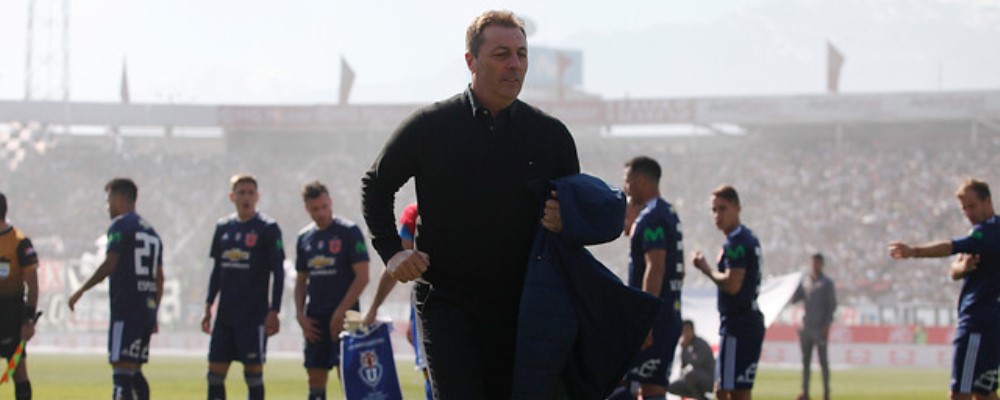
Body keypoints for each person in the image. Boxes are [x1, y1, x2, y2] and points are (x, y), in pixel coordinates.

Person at [360, 9, 580, 398]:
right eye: (501, 54)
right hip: (447, 301)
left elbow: (574, 218)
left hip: (523, 305)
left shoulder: (551, 136)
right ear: (471, 61)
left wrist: (569, 219)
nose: (515, 65)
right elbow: (376, 185)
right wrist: (391, 251)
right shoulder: (430, 126)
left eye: (521, 54)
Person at [889, 178, 1000, 400]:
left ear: (987, 201)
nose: (968, 213)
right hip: (991, 323)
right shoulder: (982, 234)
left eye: (972, 206)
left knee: (959, 393)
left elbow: (951, 246)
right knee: (984, 392)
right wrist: (962, 268)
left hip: (978, 321)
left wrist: (914, 251)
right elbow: (955, 271)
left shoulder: (986, 233)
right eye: (964, 208)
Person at [68, 178, 164, 400]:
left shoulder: (120, 225)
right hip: (146, 310)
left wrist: (81, 290)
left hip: (127, 309)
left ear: (119, 199)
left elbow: (110, 263)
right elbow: (160, 278)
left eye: (108, 200)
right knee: (135, 371)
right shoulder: (152, 232)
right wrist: (154, 313)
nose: (107, 206)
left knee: (121, 372)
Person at [202, 174, 285, 400]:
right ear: (232, 197)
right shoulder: (223, 228)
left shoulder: (268, 228)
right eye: (241, 193)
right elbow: (217, 270)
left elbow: (278, 273)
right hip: (225, 315)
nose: (246, 197)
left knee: (253, 374)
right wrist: (208, 305)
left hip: (253, 316)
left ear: (257, 196)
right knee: (214, 374)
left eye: (250, 193)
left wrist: (274, 310)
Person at [293, 181, 370, 400]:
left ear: (331, 202)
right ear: (307, 209)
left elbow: (363, 277)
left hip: (346, 320)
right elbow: (301, 281)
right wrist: (300, 314)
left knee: (349, 378)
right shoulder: (304, 238)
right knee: (315, 380)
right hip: (315, 319)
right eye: (315, 209)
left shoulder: (349, 232)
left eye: (324, 207)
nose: (321, 213)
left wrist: (340, 312)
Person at [617, 156, 684, 400]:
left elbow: (655, 268)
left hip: (655, 320)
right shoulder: (668, 212)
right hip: (668, 314)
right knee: (651, 388)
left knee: (632, 385)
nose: (625, 187)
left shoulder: (651, 217)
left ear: (641, 181)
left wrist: (646, 318)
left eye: (627, 181)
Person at [692, 185, 764, 400]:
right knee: (734, 389)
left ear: (737, 208)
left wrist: (706, 269)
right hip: (746, 320)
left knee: (727, 390)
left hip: (738, 323)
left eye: (723, 208)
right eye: (714, 210)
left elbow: (733, 285)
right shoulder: (747, 237)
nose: (717, 215)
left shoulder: (736, 242)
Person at [362, 203, 432, 400]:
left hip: (438, 304)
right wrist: (373, 308)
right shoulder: (414, 213)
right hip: (430, 303)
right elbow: (399, 262)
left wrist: (373, 309)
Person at [0, 192, 40, 400]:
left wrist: (28, 319)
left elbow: (32, 284)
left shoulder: (19, 242)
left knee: (18, 371)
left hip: (10, 314)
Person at [791, 253, 837, 400]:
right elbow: (795, 299)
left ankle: (826, 393)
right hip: (807, 327)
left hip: (820, 327)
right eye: (813, 263)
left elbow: (832, 305)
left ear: (821, 264)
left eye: (817, 263)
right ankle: (805, 392)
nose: (814, 265)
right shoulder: (805, 281)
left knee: (823, 362)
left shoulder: (827, 283)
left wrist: (827, 324)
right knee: (806, 362)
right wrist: (792, 286)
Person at [667, 320, 715, 400]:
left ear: (693, 330)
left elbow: (696, 362)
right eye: (683, 331)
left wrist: (685, 349)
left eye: (687, 330)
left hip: (709, 379)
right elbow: (683, 367)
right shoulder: (685, 345)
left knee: (690, 375)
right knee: (671, 387)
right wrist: (683, 349)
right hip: (693, 379)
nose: (685, 333)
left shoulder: (700, 344)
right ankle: (701, 398)